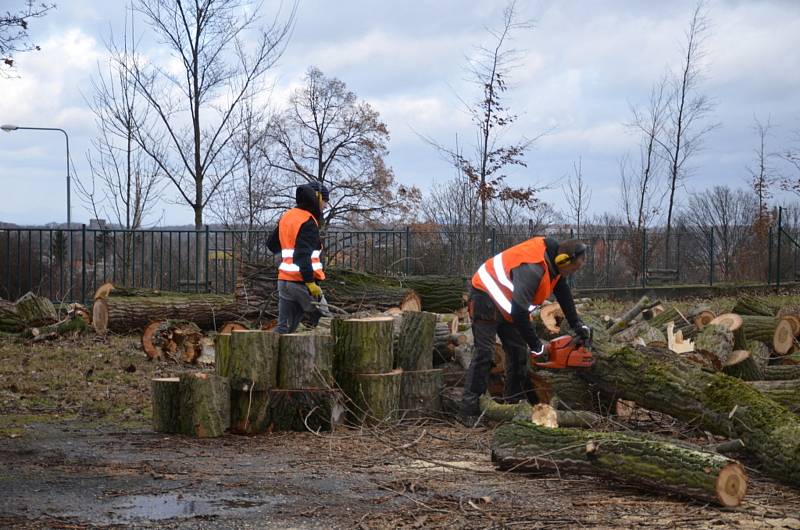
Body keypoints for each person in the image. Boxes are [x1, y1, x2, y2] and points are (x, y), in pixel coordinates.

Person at [460, 237, 591, 424]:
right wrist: (537, 345)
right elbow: (520, 313)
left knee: (518, 354)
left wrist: (577, 324)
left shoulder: (553, 265)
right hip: (484, 297)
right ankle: (468, 411)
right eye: (574, 268)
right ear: (563, 260)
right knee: (484, 354)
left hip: (508, 305)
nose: (573, 273)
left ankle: (512, 406)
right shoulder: (533, 267)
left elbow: (563, 292)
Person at [267, 181, 330, 333]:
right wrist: (310, 282)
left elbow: (271, 243)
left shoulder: (288, 216)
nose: (326, 206)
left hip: (284, 282)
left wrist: (287, 257)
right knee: (328, 322)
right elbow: (302, 255)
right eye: (325, 201)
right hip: (302, 283)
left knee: (284, 329)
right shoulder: (308, 221)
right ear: (317, 197)